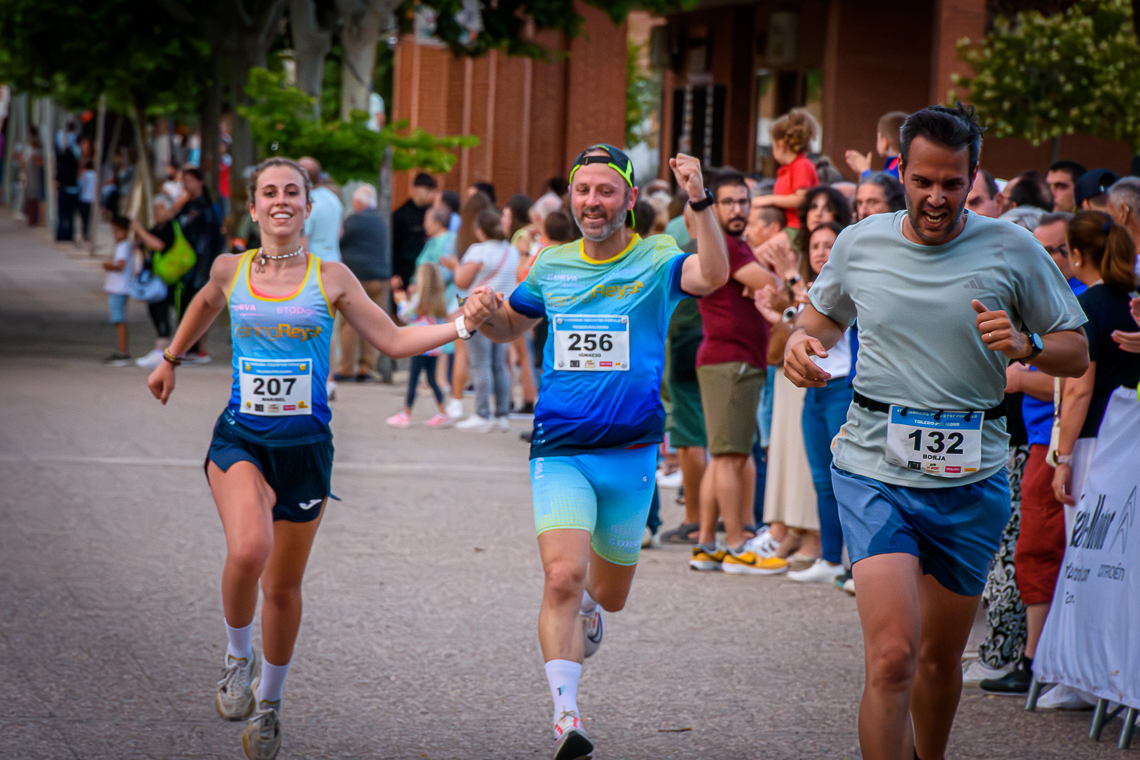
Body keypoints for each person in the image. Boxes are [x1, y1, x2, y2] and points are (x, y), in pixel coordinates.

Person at [145, 157, 498, 760]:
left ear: (308, 207)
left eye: (292, 192)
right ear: (253, 207)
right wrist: (170, 359)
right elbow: (204, 302)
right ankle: (237, 657)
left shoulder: (331, 277)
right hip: (241, 440)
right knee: (249, 549)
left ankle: (270, 705)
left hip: (307, 449)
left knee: (283, 586)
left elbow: (392, 339)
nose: (281, 200)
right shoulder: (232, 268)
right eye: (269, 192)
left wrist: (460, 326)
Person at [784, 104, 1089, 760]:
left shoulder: (1011, 247)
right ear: (900, 172)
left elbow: (1076, 351)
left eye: (952, 183)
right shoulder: (860, 243)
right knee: (893, 656)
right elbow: (818, 322)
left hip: (971, 477)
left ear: (973, 176)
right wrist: (799, 344)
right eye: (922, 181)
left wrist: (1028, 345)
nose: (936, 197)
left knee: (938, 661)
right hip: (875, 468)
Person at [459, 144, 728, 759]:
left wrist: (699, 199)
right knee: (562, 575)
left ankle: (590, 612)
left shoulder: (657, 257)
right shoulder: (552, 263)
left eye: (606, 190)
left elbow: (713, 276)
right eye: (583, 190)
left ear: (629, 198)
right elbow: (509, 326)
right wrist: (482, 311)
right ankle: (567, 716)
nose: (592, 202)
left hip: (630, 451)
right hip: (560, 447)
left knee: (609, 594)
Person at [974, 211, 1085, 693]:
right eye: (1037, 249)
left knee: (1032, 552)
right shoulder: (1030, 292)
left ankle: (1032, 662)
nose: (1044, 259)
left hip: (1049, 445)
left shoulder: (1078, 302)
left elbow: (1078, 377)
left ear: (1076, 254)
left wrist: (1021, 372)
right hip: (1029, 440)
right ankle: (1020, 657)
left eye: (1055, 250)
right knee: (1015, 552)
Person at [688, 170, 778, 573]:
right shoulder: (727, 245)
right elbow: (770, 286)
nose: (738, 209)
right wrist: (772, 270)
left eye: (744, 201)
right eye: (728, 202)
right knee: (730, 458)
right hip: (731, 361)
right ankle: (738, 544)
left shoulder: (734, 245)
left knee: (724, 455)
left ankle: (707, 543)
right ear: (713, 206)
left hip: (732, 361)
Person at [759, 221, 853, 584]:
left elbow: (819, 316)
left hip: (842, 389)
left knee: (849, 480)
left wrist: (792, 279)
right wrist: (783, 313)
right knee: (822, 480)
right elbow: (800, 322)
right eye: (814, 245)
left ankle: (857, 565)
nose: (820, 251)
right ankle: (830, 560)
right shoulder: (808, 287)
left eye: (828, 245)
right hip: (813, 392)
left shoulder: (846, 284)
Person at [452, 208, 518, 432]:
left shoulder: (478, 251)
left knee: (480, 363)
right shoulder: (511, 250)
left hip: (479, 311)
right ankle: (502, 415)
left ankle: (482, 413)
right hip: (504, 312)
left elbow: (461, 281)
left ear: (480, 229)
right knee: (499, 365)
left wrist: (454, 266)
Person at [336, 184, 392, 382]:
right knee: (374, 321)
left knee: (350, 323)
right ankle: (367, 368)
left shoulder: (353, 221)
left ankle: (346, 368)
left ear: (359, 202)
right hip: (381, 278)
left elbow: (339, 242)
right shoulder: (381, 221)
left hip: (358, 277)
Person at [387, 263, 453, 428]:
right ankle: (443, 413)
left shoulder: (419, 299)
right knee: (432, 380)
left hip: (420, 344)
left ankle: (406, 413)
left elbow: (405, 315)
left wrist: (402, 301)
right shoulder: (438, 299)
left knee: (413, 380)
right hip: (434, 347)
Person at [171, 165, 224, 364]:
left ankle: (201, 348)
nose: (186, 184)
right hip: (184, 262)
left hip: (203, 262)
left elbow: (215, 237)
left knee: (201, 304)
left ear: (200, 181)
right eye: (184, 181)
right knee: (184, 303)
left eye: (190, 180)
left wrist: (212, 263)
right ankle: (184, 347)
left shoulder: (210, 207)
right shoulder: (185, 205)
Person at [131, 195, 179, 369]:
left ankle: (162, 352)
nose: (157, 212)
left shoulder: (170, 227)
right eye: (155, 208)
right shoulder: (156, 227)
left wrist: (140, 230)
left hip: (167, 277)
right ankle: (161, 349)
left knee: (162, 311)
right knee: (154, 310)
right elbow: (142, 244)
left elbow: (159, 245)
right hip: (154, 277)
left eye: (160, 208)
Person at [754, 110, 819, 229]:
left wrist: (769, 199)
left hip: (797, 227)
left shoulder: (801, 165)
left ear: (781, 145)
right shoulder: (790, 168)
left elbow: (801, 199)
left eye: (773, 145)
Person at [392, 173, 438, 289]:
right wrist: (393, 273)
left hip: (426, 266)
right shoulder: (401, 215)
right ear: (416, 190)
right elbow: (393, 247)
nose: (431, 195)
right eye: (428, 191)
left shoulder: (432, 212)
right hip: (405, 269)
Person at [297, 158, 343, 263]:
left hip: (313, 266)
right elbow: (341, 231)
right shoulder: (333, 198)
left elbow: (302, 243)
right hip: (334, 261)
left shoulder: (307, 202)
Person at [102, 216, 134, 365]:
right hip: (119, 287)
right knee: (118, 320)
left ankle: (122, 352)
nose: (115, 234)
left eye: (118, 231)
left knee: (118, 320)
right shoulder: (126, 245)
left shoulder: (123, 246)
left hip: (118, 288)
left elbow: (121, 264)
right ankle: (122, 350)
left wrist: (109, 265)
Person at [845, 110, 908, 181]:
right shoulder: (897, 165)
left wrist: (865, 170)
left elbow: (885, 185)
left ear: (884, 143)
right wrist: (861, 174)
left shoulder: (900, 167)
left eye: (878, 137)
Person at [78, 159, 96, 242]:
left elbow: (80, 184)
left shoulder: (84, 174)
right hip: (90, 199)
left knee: (83, 218)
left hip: (82, 198)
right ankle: (86, 234)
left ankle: (84, 233)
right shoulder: (95, 175)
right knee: (87, 218)